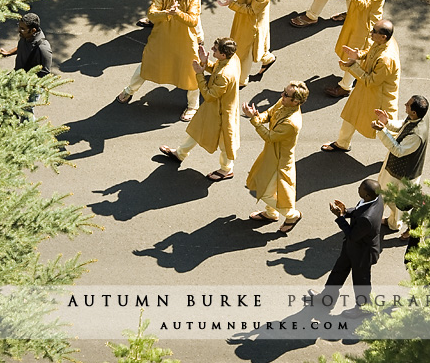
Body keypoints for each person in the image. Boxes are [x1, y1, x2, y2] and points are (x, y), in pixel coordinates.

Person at [118, 0, 201, 121]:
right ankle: (129, 90)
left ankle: (193, 105)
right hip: (162, 38)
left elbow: (193, 20)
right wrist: (167, 13)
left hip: (185, 40)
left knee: (191, 70)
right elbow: (151, 14)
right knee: (147, 64)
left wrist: (178, 14)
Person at [159, 37, 241, 179]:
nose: (212, 50)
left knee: (225, 142)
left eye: (215, 49)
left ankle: (227, 170)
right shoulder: (232, 58)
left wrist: (199, 73)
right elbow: (216, 69)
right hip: (214, 108)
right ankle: (180, 153)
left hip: (222, 112)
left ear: (223, 54)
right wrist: (204, 62)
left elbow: (209, 95)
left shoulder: (224, 75)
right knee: (197, 128)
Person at [309, 179, 383, 318]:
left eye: (361, 188)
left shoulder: (367, 218)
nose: (358, 188)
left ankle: (364, 308)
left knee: (361, 281)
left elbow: (352, 235)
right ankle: (328, 298)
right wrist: (345, 211)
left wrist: (340, 217)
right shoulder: (376, 198)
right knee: (338, 271)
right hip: (353, 247)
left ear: (367, 195)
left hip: (363, 253)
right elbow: (359, 210)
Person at [322, 19, 399, 152]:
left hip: (380, 97)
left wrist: (352, 66)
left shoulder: (386, 60)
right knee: (351, 113)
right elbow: (371, 52)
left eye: (374, 31)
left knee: (385, 126)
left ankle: (398, 150)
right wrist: (359, 55)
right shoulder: (383, 42)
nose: (371, 33)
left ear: (383, 36)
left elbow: (371, 82)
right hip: (366, 89)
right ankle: (342, 143)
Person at [244, 81, 309, 233]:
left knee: (266, 192)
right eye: (283, 91)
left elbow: (270, 137)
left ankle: (292, 215)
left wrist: (254, 120)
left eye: (286, 94)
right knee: (267, 185)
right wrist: (257, 116)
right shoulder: (283, 102)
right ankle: (271, 213)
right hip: (271, 154)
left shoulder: (291, 123)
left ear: (296, 101)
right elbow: (270, 113)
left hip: (279, 160)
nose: (281, 95)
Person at [325, 0, 388, 98]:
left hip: (365, 25)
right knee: (348, 46)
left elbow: (363, 6)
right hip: (355, 18)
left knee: (354, 53)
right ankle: (354, 77)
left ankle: (345, 87)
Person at [372, 95, 429, 240]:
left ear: (414, 112)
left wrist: (382, 131)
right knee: (385, 194)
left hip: (403, 174)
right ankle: (391, 223)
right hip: (396, 169)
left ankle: (405, 226)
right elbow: (404, 126)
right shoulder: (419, 118)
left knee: (399, 203)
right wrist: (387, 123)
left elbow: (398, 151)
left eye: (408, 105)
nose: (405, 105)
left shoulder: (416, 135)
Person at [217, 0, 276, 87]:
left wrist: (231, 4)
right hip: (242, 13)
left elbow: (252, 10)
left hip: (252, 20)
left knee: (244, 50)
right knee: (245, 44)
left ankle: (242, 80)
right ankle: (268, 58)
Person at [0, 12, 52, 117]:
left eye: (22, 28)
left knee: (27, 111)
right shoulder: (26, 36)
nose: (19, 30)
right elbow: (23, 47)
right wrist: (8, 53)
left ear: (33, 30)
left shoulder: (43, 48)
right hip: (17, 75)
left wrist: (30, 87)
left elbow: (45, 73)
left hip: (29, 85)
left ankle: (32, 131)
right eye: (19, 26)